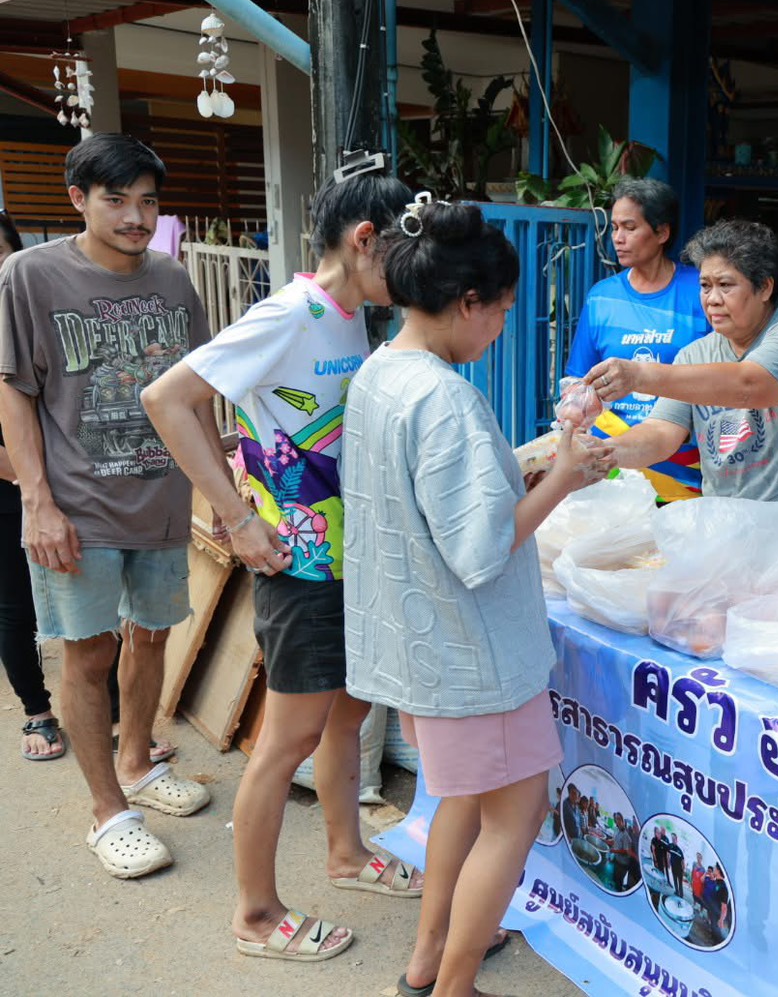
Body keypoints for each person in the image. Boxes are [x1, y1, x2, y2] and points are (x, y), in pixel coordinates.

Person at [142, 163, 417, 963]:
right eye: (405, 252)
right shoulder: (289, 314)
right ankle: (255, 914)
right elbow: (167, 399)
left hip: (347, 560)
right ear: (365, 240)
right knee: (286, 739)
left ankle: (346, 853)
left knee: (347, 716)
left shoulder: (348, 317)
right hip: (300, 567)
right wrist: (236, 519)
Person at [342, 199, 611, 997]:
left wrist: (529, 476)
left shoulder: (381, 370)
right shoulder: (446, 398)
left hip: (420, 638)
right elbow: (482, 549)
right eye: (501, 310)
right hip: (472, 652)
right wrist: (564, 476)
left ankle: (430, 960)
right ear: (468, 302)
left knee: (460, 798)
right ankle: (453, 986)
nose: (499, 327)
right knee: (514, 815)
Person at [0, 134, 213, 878]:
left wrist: (218, 483)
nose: (135, 217)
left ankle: (138, 762)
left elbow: (196, 390)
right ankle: (108, 812)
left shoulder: (174, 280)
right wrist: (37, 502)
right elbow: (14, 391)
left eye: (147, 201)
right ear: (78, 200)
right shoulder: (30, 275)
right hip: (77, 506)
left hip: (160, 497)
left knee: (151, 636)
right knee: (89, 653)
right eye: (116, 200)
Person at [587, 220, 778, 560]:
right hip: (738, 541)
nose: (712, 299)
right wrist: (601, 454)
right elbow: (660, 434)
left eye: (725, 285)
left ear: (764, 288)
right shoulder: (694, 355)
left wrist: (639, 375)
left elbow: (749, 385)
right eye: (705, 286)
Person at [565, 178, 707, 501]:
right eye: (615, 227)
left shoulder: (700, 292)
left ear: (662, 232)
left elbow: (721, 374)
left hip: (684, 468)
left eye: (630, 227)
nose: (618, 238)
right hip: (612, 465)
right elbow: (578, 381)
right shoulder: (601, 297)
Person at [0, 211, 59, 763]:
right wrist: (28, 479)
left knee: (101, 599)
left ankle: (113, 711)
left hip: (63, 476)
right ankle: (38, 711)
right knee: (16, 605)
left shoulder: (36, 312)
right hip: (9, 484)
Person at [608, 811, 637, 890]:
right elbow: (615, 841)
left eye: (619, 819)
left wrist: (614, 851)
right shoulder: (617, 830)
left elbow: (626, 851)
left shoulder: (625, 834)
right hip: (617, 860)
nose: (617, 821)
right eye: (616, 819)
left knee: (619, 882)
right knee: (614, 878)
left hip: (623, 864)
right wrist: (606, 841)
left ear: (622, 820)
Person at [666, 828, 686, 898]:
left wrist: (683, 870)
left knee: (680, 883)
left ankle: (681, 895)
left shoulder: (679, 850)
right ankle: (676, 892)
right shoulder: (670, 846)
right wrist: (668, 862)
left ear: (676, 839)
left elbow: (683, 861)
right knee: (675, 881)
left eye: (674, 838)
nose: (673, 839)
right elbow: (668, 854)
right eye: (672, 838)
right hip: (673, 868)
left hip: (679, 869)